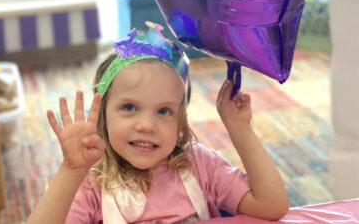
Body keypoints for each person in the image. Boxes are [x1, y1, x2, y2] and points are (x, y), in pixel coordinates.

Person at [27, 22, 288, 224]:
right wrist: (71, 171)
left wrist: (241, 130)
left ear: (181, 121)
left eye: (164, 111)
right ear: (104, 116)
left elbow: (271, 205)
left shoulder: (199, 166)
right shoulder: (91, 183)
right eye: (129, 107)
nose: (147, 125)